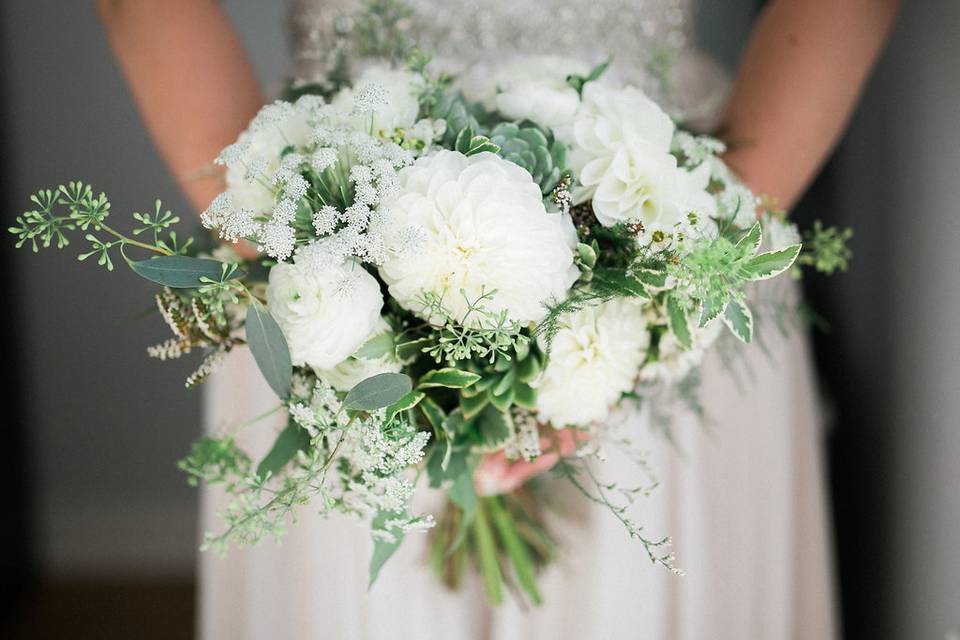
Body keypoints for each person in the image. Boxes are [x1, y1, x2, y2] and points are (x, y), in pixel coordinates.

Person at [96, 1, 902, 637]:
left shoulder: (677, 244)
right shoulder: (316, 263)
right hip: (339, 215)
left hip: (658, 199)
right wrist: (296, 257)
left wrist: (675, 278)